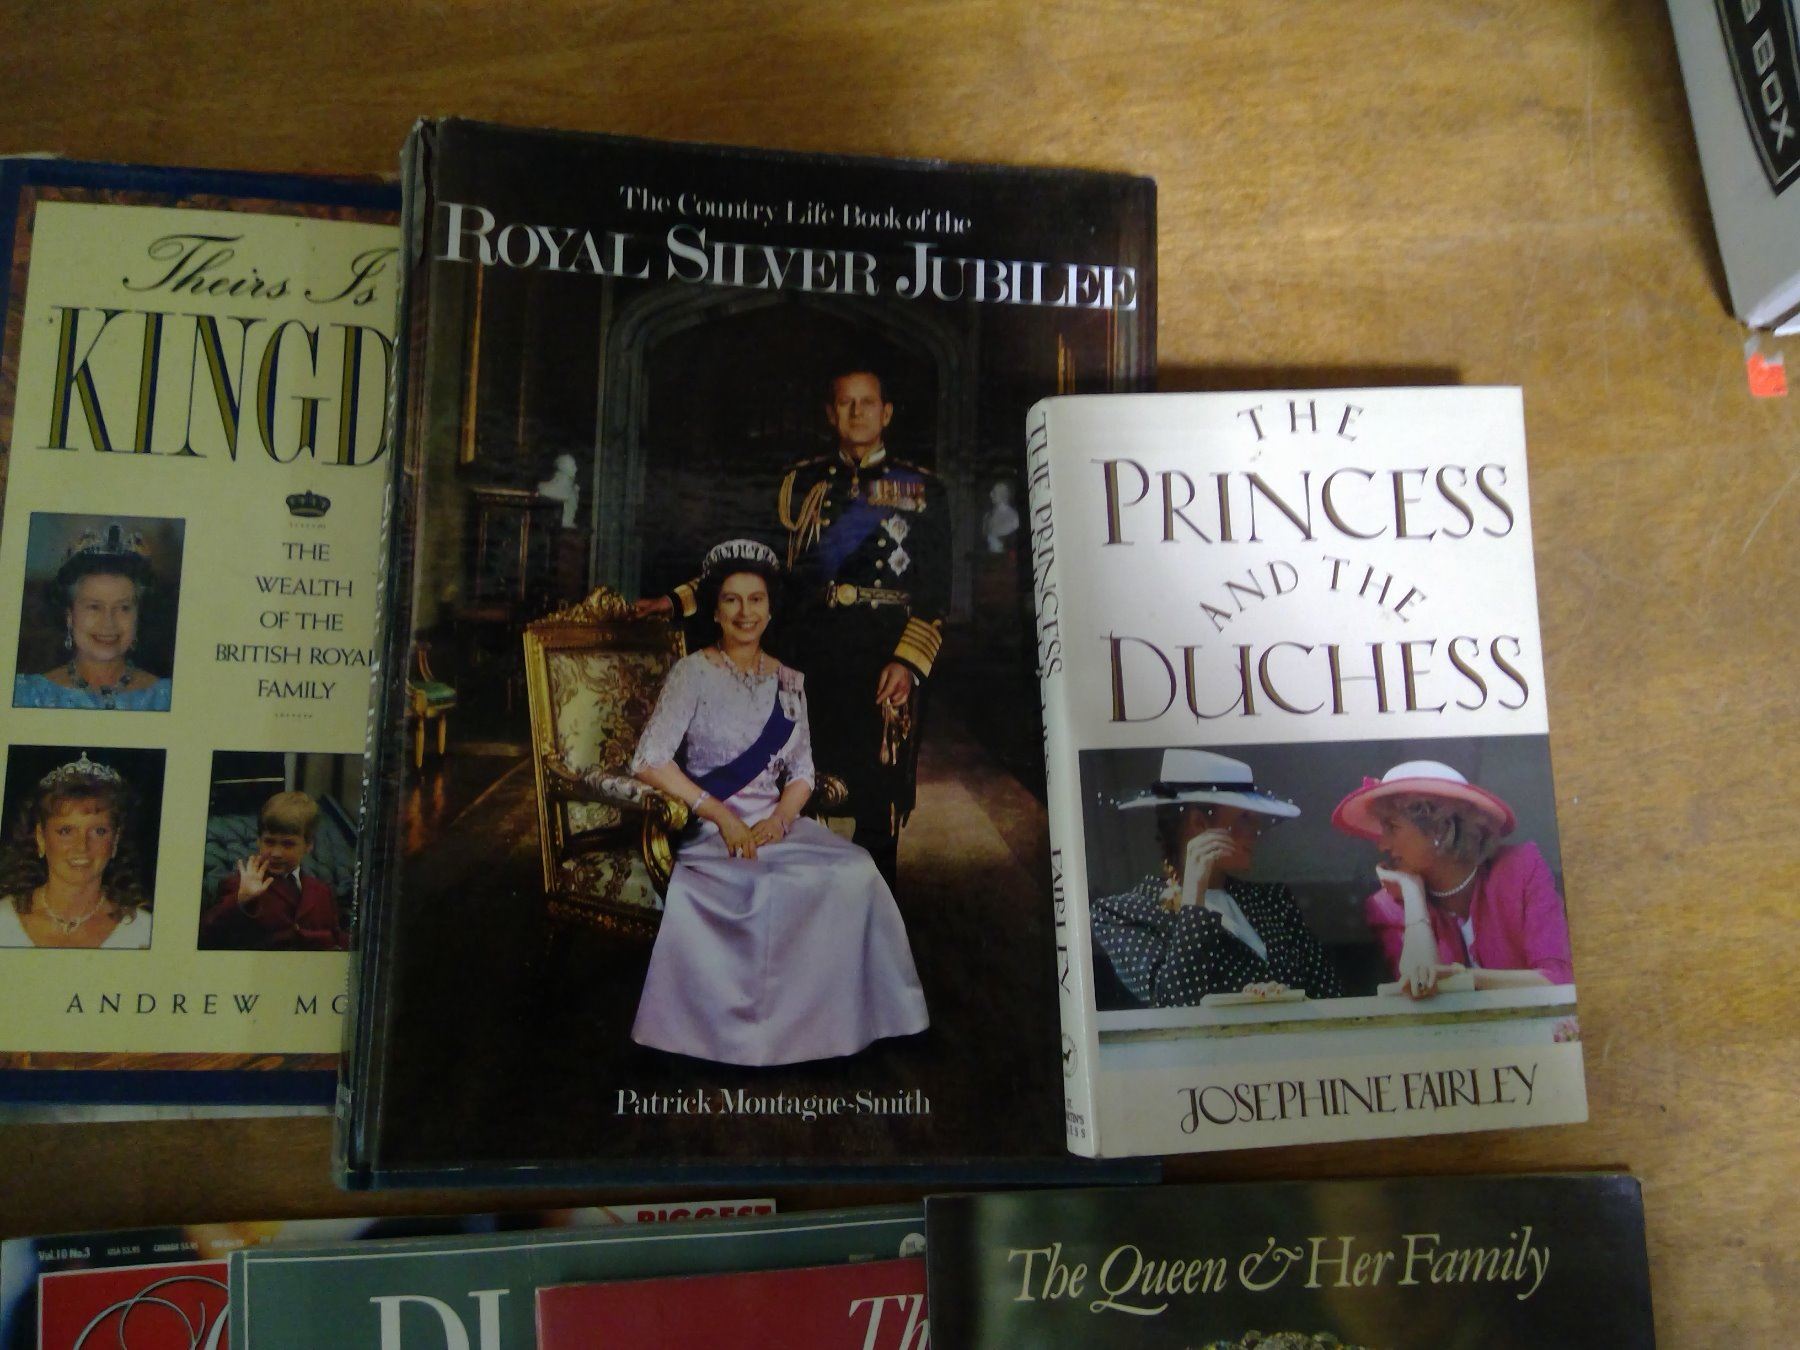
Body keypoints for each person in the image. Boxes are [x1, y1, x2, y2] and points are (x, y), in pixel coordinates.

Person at [637, 368, 949, 881]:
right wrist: (679, 599)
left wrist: (907, 663)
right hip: (810, 653)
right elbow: (750, 559)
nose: (856, 413)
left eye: (868, 403)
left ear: (886, 412)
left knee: (876, 798)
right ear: (830, 413)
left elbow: (936, 591)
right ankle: (800, 900)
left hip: (883, 660)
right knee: (800, 786)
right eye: (845, 403)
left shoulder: (922, 489)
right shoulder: (799, 483)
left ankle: (875, 904)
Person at [627, 538, 928, 1066]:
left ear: (770, 609)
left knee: (855, 870)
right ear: (715, 610)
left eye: (756, 600)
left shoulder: (789, 681)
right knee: (763, 886)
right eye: (731, 600)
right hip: (713, 830)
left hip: (774, 825)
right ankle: (751, 1040)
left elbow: (803, 772)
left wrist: (782, 819)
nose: (745, 613)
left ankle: (831, 1026)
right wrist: (721, 816)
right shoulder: (692, 673)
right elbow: (649, 760)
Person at [1090, 748, 1341, 1007]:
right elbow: (1176, 1004)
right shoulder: (1124, 912)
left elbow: (1330, 995)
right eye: (1245, 818)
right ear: (1200, 823)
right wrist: (1193, 897)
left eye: (1257, 820)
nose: (1257, 831)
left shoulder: (1272, 901)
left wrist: (1282, 999)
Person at [1332, 760, 1574, 999]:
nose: (1382, 844)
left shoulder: (1521, 869)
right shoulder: (1387, 905)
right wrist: (1413, 896)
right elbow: (1418, 991)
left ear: (1441, 828)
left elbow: (1559, 981)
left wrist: (1468, 978)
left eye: (1392, 827)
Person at [0, 753, 152, 949]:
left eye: (99, 831)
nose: (82, 846)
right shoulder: (4, 919)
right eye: (66, 831)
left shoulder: (143, 931)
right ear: (41, 838)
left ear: (115, 841)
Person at [13, 524, 172, 711]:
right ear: (70, 617)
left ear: (137, 616)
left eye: (123, 608)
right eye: (94, 607)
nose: (108, 623)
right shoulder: (25, 695)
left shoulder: (166, 697)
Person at [199, 790, 348, 951]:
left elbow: (337, 939)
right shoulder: (238, 884)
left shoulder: (322, 891)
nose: (276, 853)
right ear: (258, 841)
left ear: (308, 845)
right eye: (269, 842)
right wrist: (240, 901)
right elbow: (207, 936)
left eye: (288, 844)